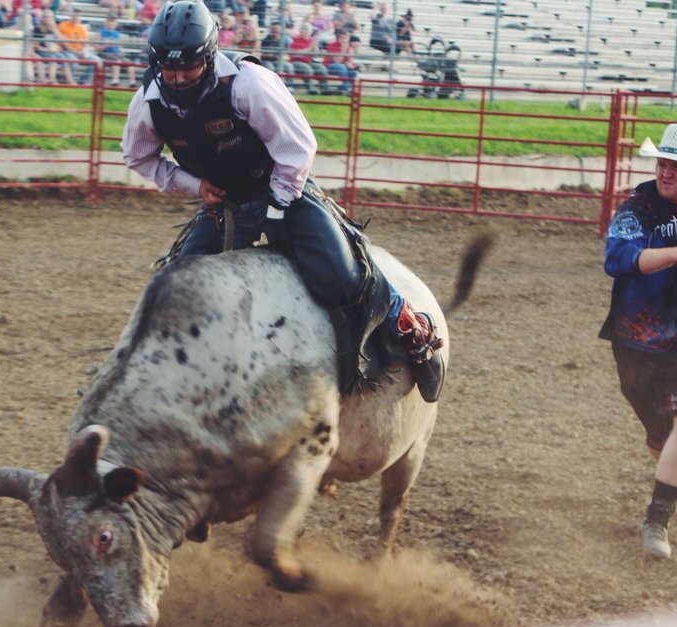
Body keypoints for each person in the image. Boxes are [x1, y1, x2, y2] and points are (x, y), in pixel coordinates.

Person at [120, 0, 445, 401]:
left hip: (284, 189)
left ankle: (410, 326)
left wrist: (278, 202)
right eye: (169, 68)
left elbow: (297, 147)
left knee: (342, 278)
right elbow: (138, 156)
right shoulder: (149, 102)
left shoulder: (248, 84)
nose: (178, 76)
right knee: (178, 285)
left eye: (188, 66)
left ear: (208, 55)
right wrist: (194, 184)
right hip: (226, 204)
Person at [600, 123, 677, 559]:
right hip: (638, 339)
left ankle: (655, 520)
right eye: (661, 163)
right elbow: (617, 258)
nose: (664, 172)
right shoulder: (639, 205)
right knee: (660, 434)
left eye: (675, 166)